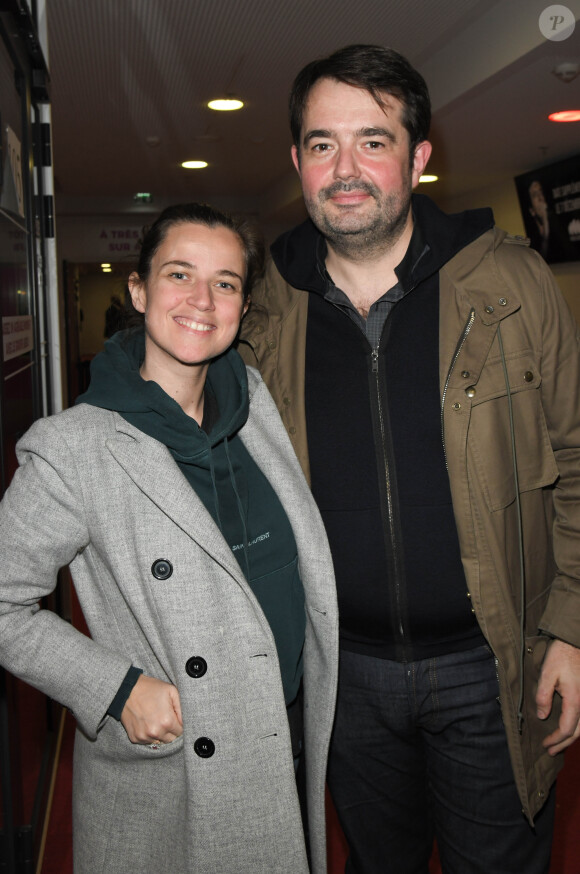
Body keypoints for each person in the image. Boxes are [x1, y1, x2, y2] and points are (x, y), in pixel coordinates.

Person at [238, 44, 580, 874]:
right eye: (322, 144)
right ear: (296, 160)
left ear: (419, 158)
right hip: (341, 677)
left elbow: (575, 460)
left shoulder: (512, 282)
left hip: (491, 668)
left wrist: (571, 627)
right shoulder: (261, 309)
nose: (345, 168)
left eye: (374, 141)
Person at [0, 203, 338, 874]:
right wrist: (117, 688)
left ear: (244, 306)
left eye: (226, 282)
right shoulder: (76, 447)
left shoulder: (254, 398)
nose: (201, 300)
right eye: (179, 274)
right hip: (187, 760)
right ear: (138, 290)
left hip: (289, 727)